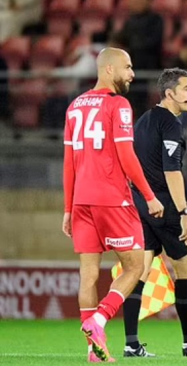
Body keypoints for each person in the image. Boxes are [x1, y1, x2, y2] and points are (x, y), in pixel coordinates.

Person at [61, 48, 164, 362]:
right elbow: (126, 155)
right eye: (128, 67)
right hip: (112, 199)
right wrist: (149, 195)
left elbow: (69, 162)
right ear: (108, 69)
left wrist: (67, 207)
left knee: (88, 274)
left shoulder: (75, 106)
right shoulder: (118, 104)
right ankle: (100, 319)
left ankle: (93, 350)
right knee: (134, 265)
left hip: (81, 200)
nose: (132, 74)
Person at [121, 68, 187, 358]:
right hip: (166, 206)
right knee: (186, 270)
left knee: (138, 272)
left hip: (141, 204)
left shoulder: (143, 121)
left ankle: (131, 343)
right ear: (169, 93)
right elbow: (172, 170)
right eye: (186, 89)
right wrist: (184, 212)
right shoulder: (171, 126)